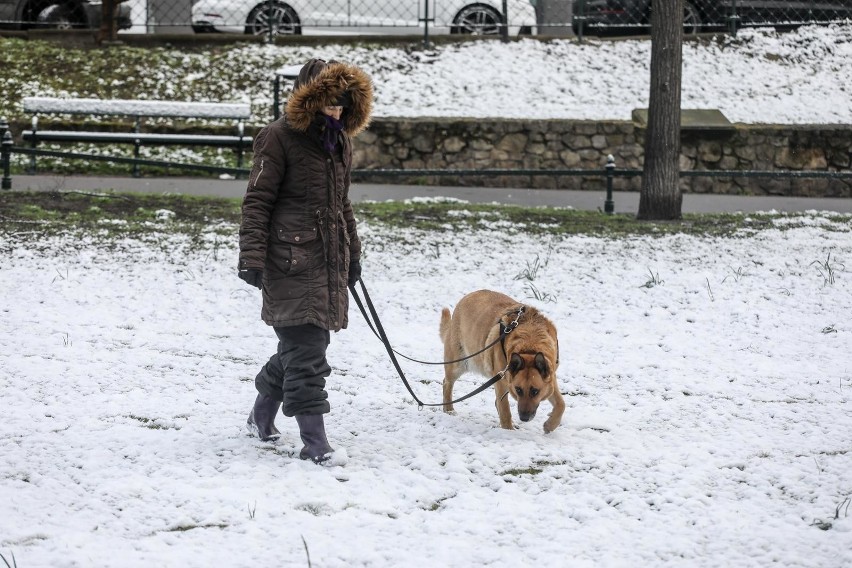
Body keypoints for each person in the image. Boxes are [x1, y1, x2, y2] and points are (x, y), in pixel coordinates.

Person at [237, 58, 373, 464]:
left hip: (327, 263)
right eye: (329, 103)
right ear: (309, 99)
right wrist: (252, 257)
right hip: (289, 261)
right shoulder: (277, 137)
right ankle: (316, 444)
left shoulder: (339, 143)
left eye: (342, 105)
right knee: (309, 355)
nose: (336, 112)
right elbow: (257, 201)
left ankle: (260, 416)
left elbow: (341, 204)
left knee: (300, 350)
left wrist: (353, 253)